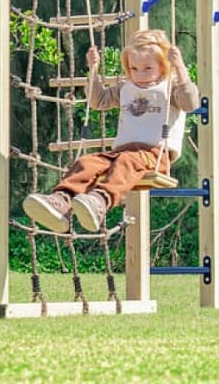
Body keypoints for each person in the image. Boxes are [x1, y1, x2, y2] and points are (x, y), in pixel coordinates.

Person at [23, 29, 199, 233]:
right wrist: (93, 69)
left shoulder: (171, 89)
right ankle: (61, 202)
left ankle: (100, 201)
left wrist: (179, 67)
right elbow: (99, 101)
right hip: (122, 152)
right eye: (134, 68)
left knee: (126, 162)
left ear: (163, 66)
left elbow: (190, 102)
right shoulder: (126, 87)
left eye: (147, 68)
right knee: (86, 162)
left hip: (154, 155)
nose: (140, 75)